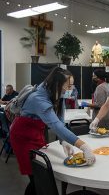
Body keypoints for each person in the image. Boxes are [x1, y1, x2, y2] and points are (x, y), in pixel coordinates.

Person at [10, 67, 96, 195]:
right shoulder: (38, 98)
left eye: (72, 85)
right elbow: (56, 125)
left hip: (36, 133)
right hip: (22, 136)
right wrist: (84, 146)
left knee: (40, 174)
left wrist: (63, 140)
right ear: (57, 84)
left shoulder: (55, 92)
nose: (70, 90)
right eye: (68, 86)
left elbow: (60, 119)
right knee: (36, 177)